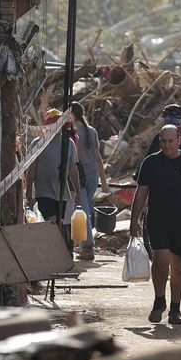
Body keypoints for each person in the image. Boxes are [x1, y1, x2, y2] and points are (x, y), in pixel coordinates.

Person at [130, 125, 181, 324]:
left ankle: (175, 309)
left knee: (179, 266)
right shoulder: (151, 162)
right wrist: (134, 219)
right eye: (163, 141)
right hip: (158, 220)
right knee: (160, 260)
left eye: (170, 141)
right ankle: (159, 301)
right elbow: (141, 193)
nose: (166, 145)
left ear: (178, 141)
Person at [70, 102, 109, 261]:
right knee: (86, 208)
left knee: (82, 209)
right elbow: (98, 159)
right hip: (93, 174)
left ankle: (87, 246)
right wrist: (104, 182)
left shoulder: (72, 131)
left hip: (80, 175)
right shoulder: (91, 131)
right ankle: (82, 243)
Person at [26, 109, 80, 224]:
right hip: (43, 192)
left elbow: (73, 170)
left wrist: (78, 192)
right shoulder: (38, 143)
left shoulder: (69, 144)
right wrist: (29, 192)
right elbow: (31, 171)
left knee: (58, 223)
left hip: (62, 194)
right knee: (51, 221)